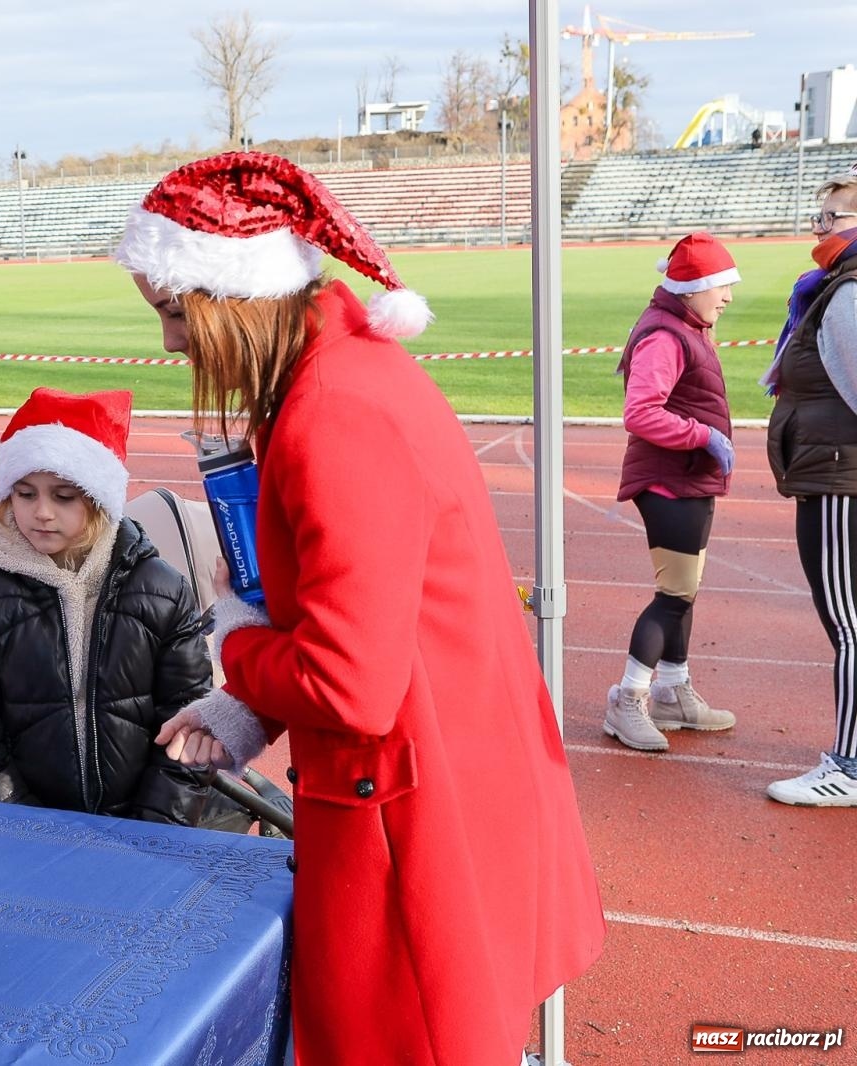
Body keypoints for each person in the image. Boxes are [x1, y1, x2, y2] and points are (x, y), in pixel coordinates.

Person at [120, 153, 604, 1065]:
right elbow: (361, 619)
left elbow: (349, 685)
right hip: (440, 775)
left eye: (176, 312)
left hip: (413, 819)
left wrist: (243, 648)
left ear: (237, 297)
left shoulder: (333, 410)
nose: (173, 344)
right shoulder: (336, 378)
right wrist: (250, 703)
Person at [0, 386, 212, 826]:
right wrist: (27, 828)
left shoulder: (162, 591)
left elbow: (189, 720)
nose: (42, 512)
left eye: (63, 496)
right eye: (24, 494)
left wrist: (155, 832)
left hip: (143, 829)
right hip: (28, 831)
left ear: (99, 500)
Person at [604, 233, 741, 752]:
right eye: (722, 285)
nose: (728, 296)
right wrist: (703, 436)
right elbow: (640, 413)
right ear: (692, 288)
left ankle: (672, 690)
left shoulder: (686, 324)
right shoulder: (667, 334)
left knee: (683, 594)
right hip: (669, 479)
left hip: (688, 477)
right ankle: (629, 699)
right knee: (673, 597)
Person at [761, 171, 857, 806]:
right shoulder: (835, 287)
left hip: (838, 476)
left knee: (849, 625)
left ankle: (847, 765)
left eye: (829, 218)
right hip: (834, 468)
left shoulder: (847, 294)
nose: (816, 229)